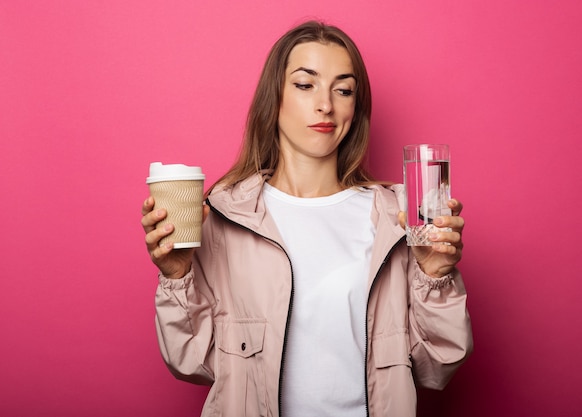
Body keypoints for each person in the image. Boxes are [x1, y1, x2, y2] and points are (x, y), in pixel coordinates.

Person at [141, 20, 472, 417]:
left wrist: (436, 276)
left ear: (356, 107)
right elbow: (192, 361)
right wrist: (177, 277)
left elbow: (436, 367)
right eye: (305, 84)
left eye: (343, 89)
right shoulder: (224, 215)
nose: (326, 105)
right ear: (274, 97)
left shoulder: (397, 219)